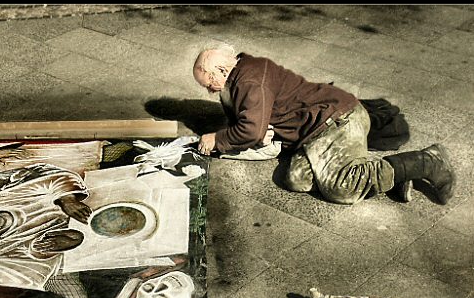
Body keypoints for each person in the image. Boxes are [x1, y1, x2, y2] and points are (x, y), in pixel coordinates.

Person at [193, 44, 455, 205]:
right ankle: (394, 174)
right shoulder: (243, 73)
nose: (210, 91)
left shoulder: (249, 82)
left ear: (222, 71)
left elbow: (250, 129)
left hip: (337, 120)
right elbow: (253, 122)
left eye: (209, 84)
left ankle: (427, 161)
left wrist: (218, 139)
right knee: (296, 179)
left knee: (341, 187)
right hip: (314, 129)